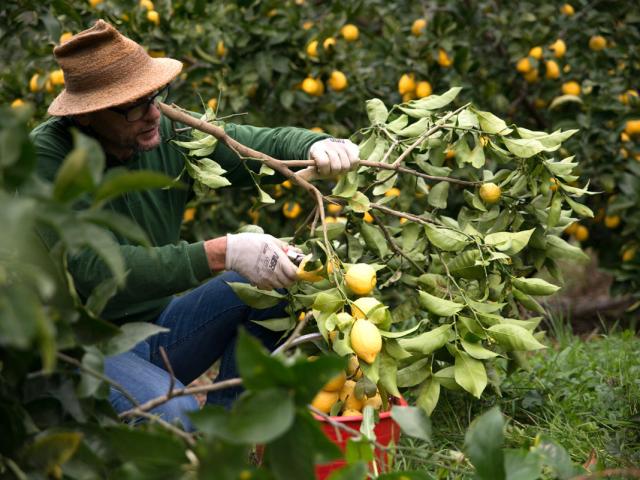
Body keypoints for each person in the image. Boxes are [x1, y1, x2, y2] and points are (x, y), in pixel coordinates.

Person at [31, 20, 359, 431]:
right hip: (77, 353)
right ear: (87, 116)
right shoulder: (47, 160)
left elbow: (252, 145)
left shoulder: (159, 128)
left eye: (155, 97)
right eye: (134, 105)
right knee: (174, 417)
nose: (154, 113)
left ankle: (227, 438)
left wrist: (314, 145)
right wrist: (224, 252)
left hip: (154, 332)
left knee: (282, 281)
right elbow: (98, 271)